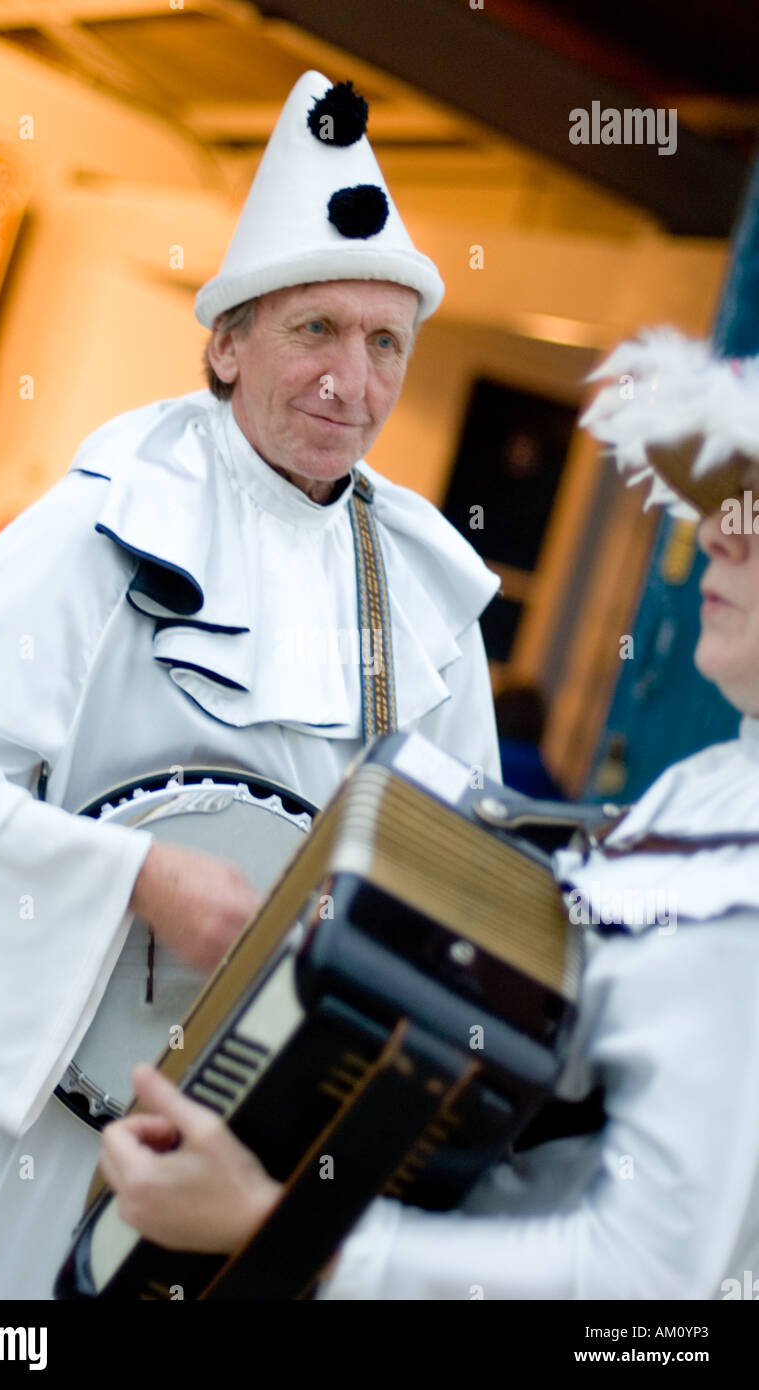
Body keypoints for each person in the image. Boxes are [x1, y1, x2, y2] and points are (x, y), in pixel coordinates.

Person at [0, 71, 502, 1300]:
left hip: (258, 1174)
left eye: (384, 342)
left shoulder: (428, 604)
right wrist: (129, 878)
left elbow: (467, 890)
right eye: (314, 330)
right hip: (25, 1137)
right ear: (226, 342)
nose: (353, 381)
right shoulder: (94, 533)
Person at [99, 328, 759, 1299]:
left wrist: (268, 1224)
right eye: (723, 499)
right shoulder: (710, 783)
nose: (715, 528)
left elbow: (651, 1284)